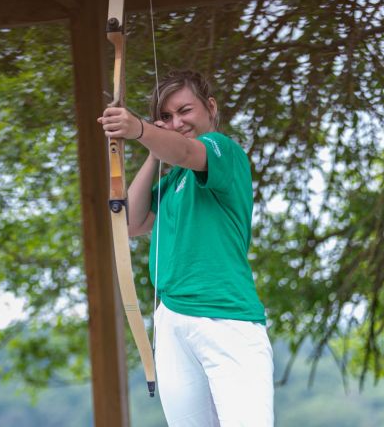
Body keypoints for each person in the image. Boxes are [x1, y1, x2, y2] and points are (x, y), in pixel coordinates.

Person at [98, 69, 274, 426]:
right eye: (166, 116)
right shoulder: (175, 177)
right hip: (173, 320)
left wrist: (141, 131)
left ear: (210, 108)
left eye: (185, 111)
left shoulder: (221, 150)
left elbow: (185, 152)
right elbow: (130, 223)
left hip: (225, 318)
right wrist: (152, 149)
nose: (175, 122)